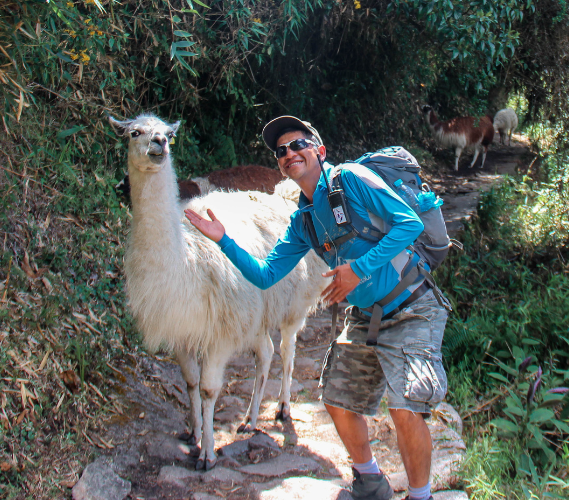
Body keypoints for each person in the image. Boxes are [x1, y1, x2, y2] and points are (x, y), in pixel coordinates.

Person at [184, 116, 450, 500]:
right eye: (281, 150)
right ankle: (370, 482)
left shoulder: (352, 178)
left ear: (319, 151)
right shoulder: (302, 221)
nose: (289, 152)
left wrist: (358, 269)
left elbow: (407, 224)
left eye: (298, 144)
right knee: (338, 399)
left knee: (405, 407)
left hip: (412, 305)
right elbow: (264, 275)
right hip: (367, 317)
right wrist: (224, 241)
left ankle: (420, 496)